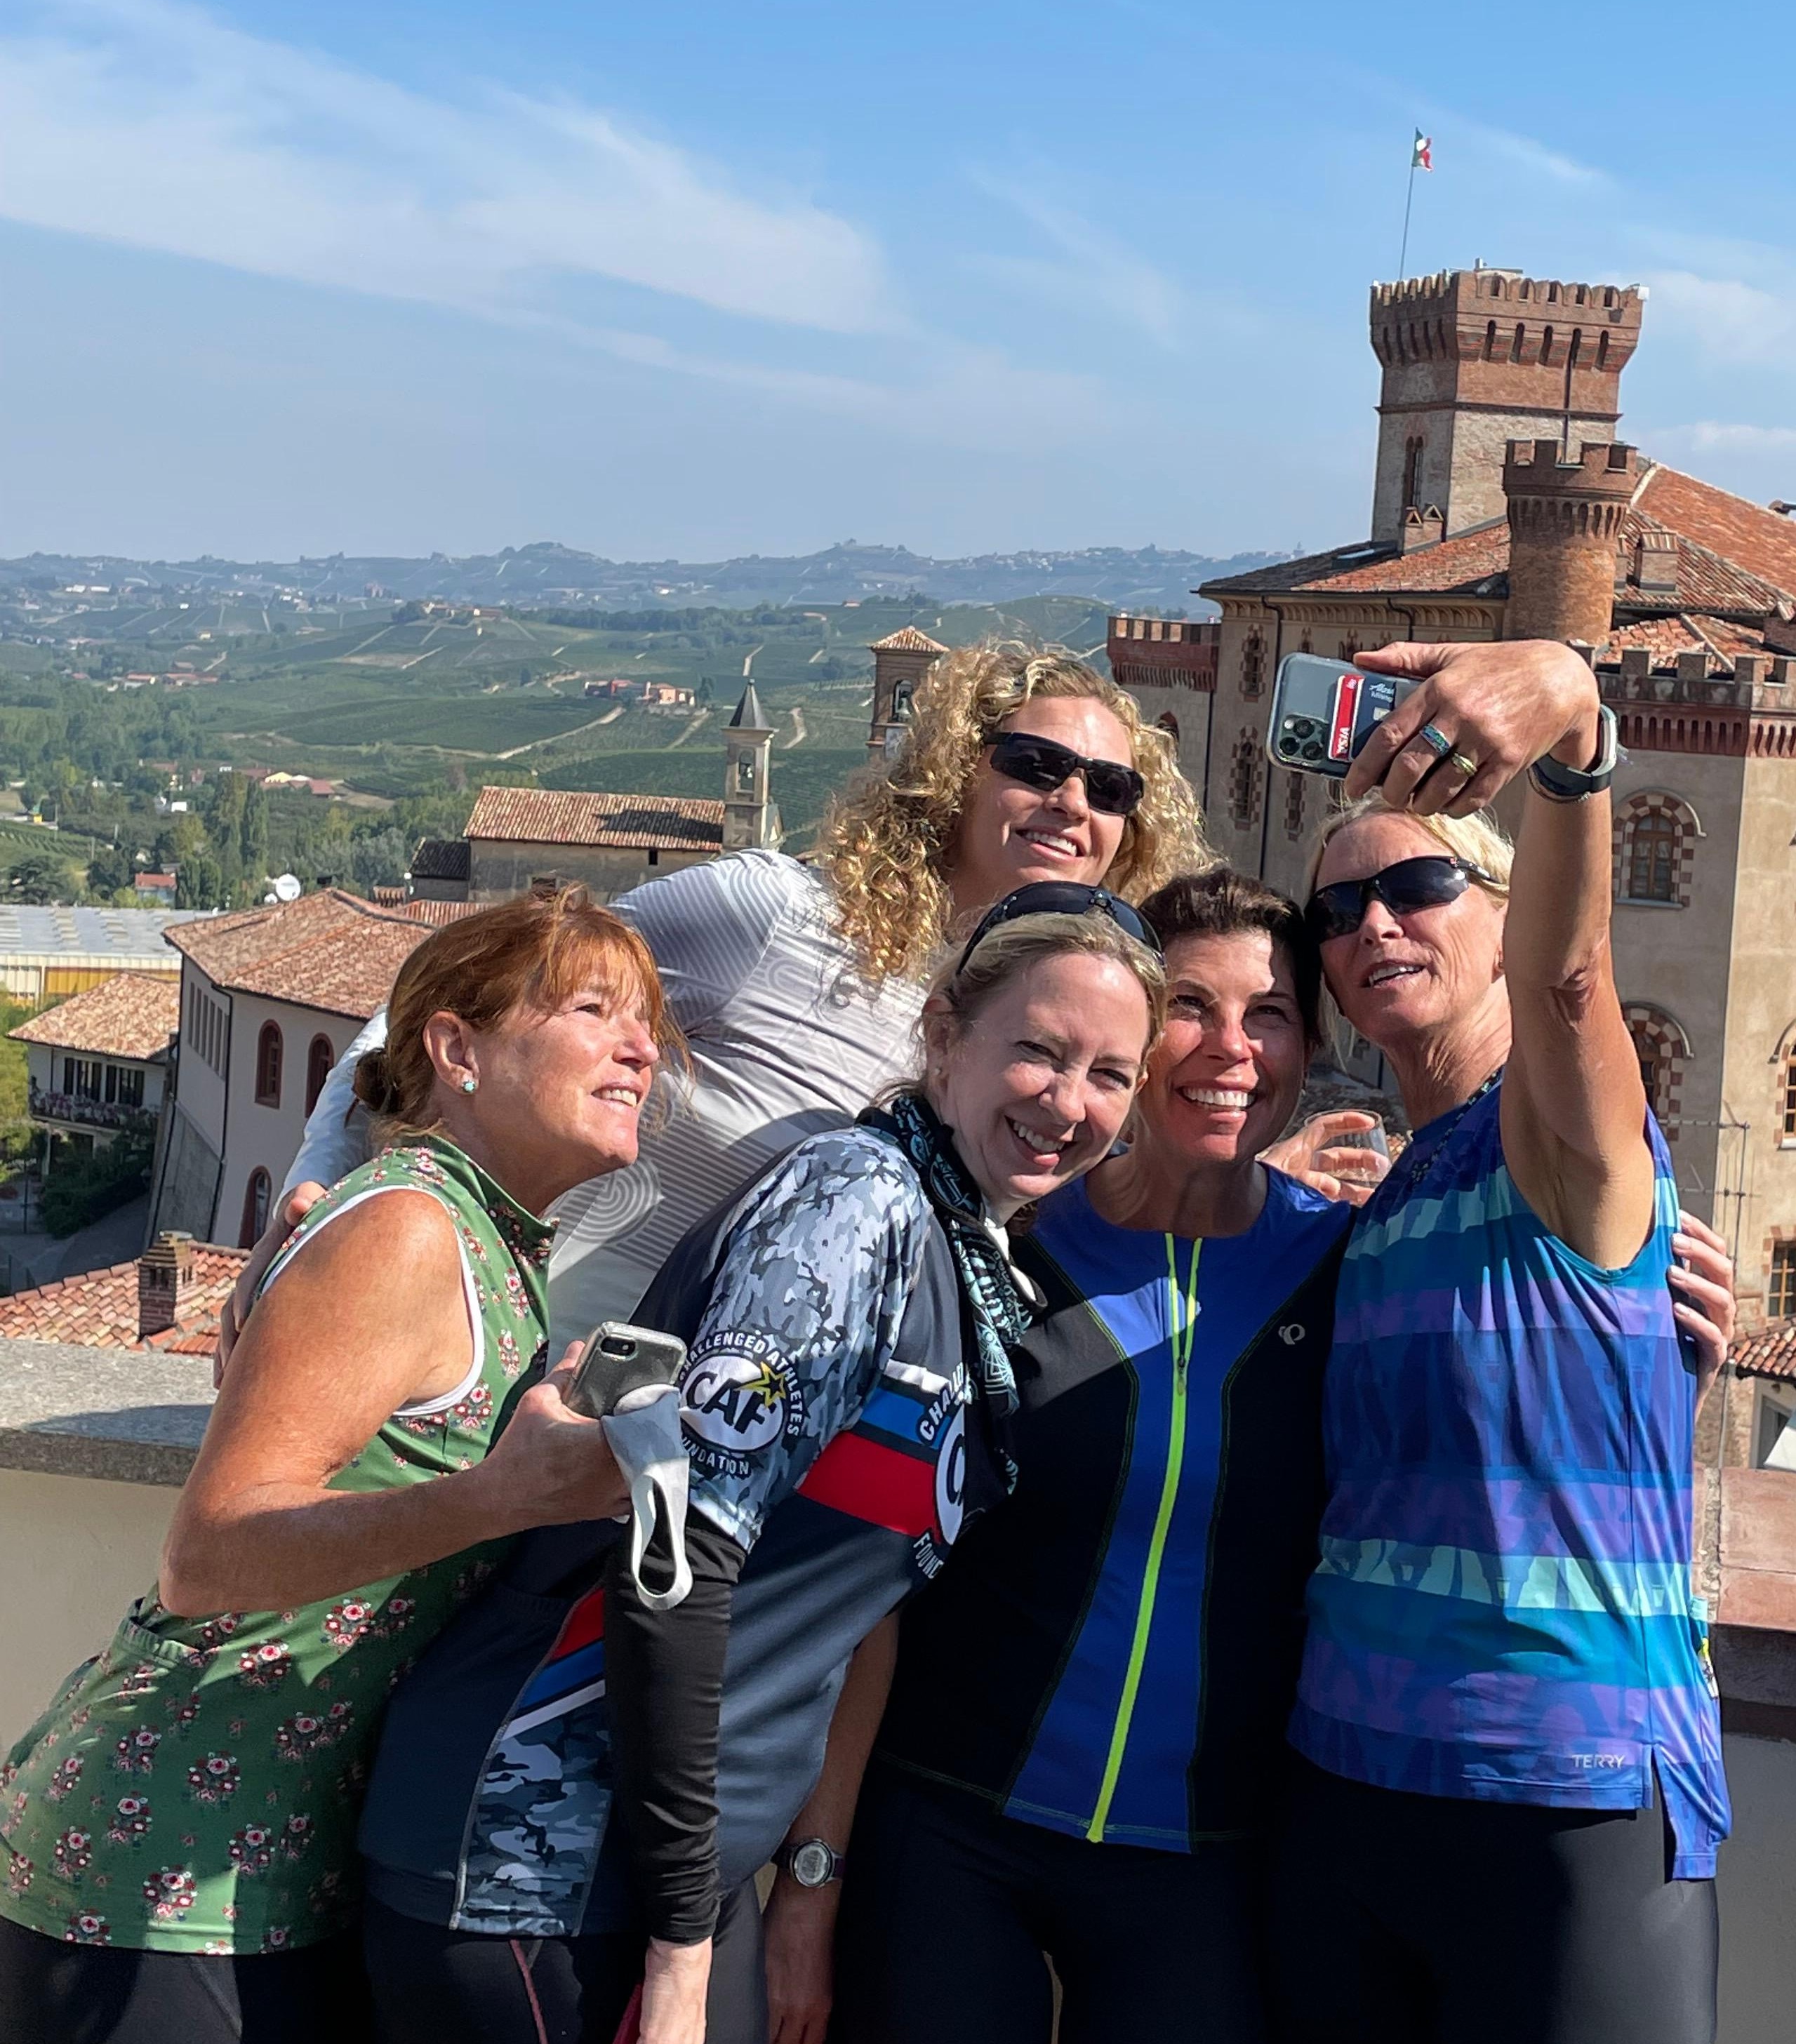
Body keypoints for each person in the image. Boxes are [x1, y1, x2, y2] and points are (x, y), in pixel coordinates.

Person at [804, 867, 1736, 2044]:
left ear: (1308, 1049)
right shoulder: (1006, 1248)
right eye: (1189, 1006)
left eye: (1272, 1015)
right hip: (949, 1827)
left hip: (1209, 1862)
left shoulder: (1347, 1264)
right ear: (1136, 1034)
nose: (1230, 1048)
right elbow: (866, 1573)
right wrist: (812, 1874)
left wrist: (1658, 1348)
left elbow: (1498, 1390)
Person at [349, 888, 1168, 2044]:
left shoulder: (962, 1250)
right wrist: (685, 1948)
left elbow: (832, 1609)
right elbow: (673, 1552)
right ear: (943, 1037)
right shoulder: (855, 1210)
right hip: (537, 1857)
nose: (1069, 1103)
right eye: (1038, 1051)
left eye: (1110, 1075)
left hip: (664, 1866)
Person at [0, 888, 672, 2044]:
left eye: (648, 1023)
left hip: (260, 1874)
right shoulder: (406, 1229)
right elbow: (208, 1555)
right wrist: (494, 1496)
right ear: (457, 1049)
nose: (642, 1047)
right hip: (159, 1883)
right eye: (594, 1008)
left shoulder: (491, 1245)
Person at [253, 643, 1215, 1358]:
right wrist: (325, 1195)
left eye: (1111, 786)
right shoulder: (775, 917)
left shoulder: (1064, 1053)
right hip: (518, 1409)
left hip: (733, 1512)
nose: (1072, 800)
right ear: (955, 769)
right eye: (1034, 765)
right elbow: (446, 991)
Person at [1265, 639, 1730, 2044]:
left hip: (1563, 1788)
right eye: (1339, 909)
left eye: (1418, 887)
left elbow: (1574, 985)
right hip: (1340, 1782)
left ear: (1504, 909)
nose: (1372, 926)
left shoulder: (1560, 1135)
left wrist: (1575, 725)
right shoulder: (1387, 1191)